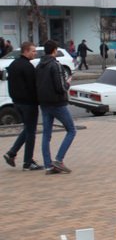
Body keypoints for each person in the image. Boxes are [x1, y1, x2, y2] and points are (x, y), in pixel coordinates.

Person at [36, 40, 76, 175]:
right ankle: (59, 159)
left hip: (44, 103)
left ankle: (48, 166)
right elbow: (61, 87)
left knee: (46, 135)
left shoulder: (39, 65)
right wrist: (68, 83)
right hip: (58, 103)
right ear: (54, 50)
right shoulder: (55, 65)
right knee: (71, 130)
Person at [3, 42, 43, 171]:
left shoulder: (13, 65)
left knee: (27, 129)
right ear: (25, 51)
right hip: (29, 104)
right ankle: (27, 162)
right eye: (33, 51)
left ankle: (12, 153)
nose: (35, 53)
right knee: (31, 132)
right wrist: (39, 100)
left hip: (17, 102)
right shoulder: (28, 67)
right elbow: (33, 86)